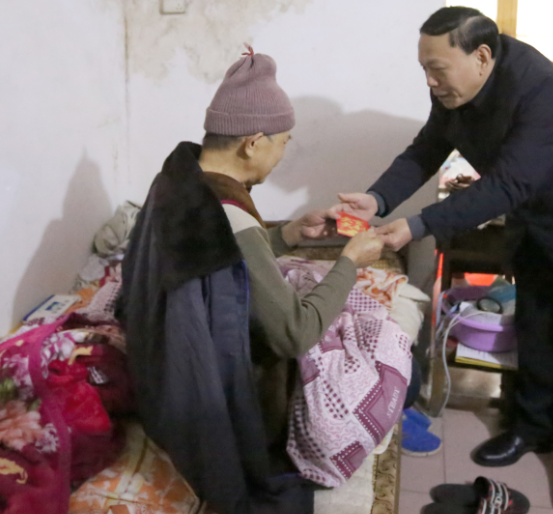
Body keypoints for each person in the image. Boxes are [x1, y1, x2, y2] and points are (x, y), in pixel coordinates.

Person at [333, 7, 553, 514]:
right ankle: (533, 427)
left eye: (437, 69)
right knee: (535, 327)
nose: (430, 81)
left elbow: (507, 184)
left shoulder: (543, 90)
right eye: (424, 68)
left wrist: (417, 225)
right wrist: (378, 200)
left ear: (481, 57)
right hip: (539, 220)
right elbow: (427, 148)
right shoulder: (452, 88)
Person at [117, 51, 384, 514]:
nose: (282, 155)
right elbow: (293, 333)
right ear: (253, 144)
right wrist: (349, 262)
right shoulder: (232, 216)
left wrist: (286, 235)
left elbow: (217, 262)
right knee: (381, 348)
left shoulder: (177, 184)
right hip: (218, 406)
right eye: (283, 143)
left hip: (158, 380)